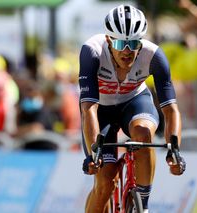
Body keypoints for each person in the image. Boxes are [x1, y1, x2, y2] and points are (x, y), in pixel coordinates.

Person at [79, 4, 186, 213]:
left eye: (133, 43)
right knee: (104, 186)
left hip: (135, 102)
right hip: (100, 110)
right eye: (120, 43)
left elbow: (171, 110)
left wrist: (175, 151)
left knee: (143, 134)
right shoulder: (92, 51)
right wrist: (94, 153)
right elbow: (89, 109)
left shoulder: (154, 55)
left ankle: (142, 205)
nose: (127, 51)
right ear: (109, 40)